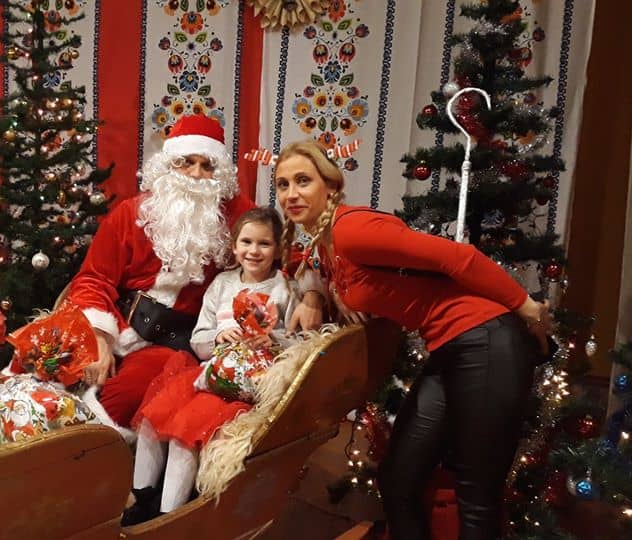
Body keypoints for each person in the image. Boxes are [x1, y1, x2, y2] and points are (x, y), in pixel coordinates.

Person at [272, 139, 553, 540]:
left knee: (477, 495)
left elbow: (457, 257)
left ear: (330, 185)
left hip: (485, 337)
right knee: (398, 477)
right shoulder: (327, 244)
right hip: (448, 349)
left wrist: (528, 308)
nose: (291, 194)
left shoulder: (351, 230)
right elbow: (324, 277)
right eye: (282, 185)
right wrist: (320, 295)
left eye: (303, 180)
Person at [65, 115, 321, 440]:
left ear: (220, 173)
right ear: (168, 165)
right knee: (48, 365)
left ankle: (92, 455)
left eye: (207, 165)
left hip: (173, 341)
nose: (197, 174)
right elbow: (93, 279)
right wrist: (99, 338)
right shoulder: (130, 213)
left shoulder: (235, 213)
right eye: (186, 162)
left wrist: (313, 294)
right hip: (117, 323)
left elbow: (289, 254)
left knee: (119, 399)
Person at [122, 207, 297, 525]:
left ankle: (169, 515)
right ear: (235, 246)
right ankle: (141, 496)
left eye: (264, 244)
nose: (254, 251)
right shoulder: (222, 284)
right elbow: (198, 341)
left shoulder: (284, 289)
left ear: (278, 249)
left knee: (185, 431)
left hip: (246, 385)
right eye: (246, 242)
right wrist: (218, 336)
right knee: (153, 418)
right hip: (210, 373)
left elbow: (299, 345)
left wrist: (273, 341)